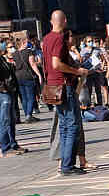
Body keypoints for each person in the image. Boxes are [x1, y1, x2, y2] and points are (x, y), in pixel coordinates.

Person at [42, 9, 87, 176]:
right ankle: (68, 165)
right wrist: (76, 71)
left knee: (63, 125)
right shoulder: (59, 38)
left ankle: (65, 164)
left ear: (51, 22)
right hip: (63, 85)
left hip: (52, 86)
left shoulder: (46, 38)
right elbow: (56, 64)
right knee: (72, 124)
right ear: (65, 21)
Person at [49, 30, 97, 174]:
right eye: (70, 36)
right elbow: (59, 67)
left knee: (70, 126)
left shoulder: (67, 52)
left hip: (66, 90)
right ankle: (65, 164)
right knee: (69, 126)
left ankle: (70, 162)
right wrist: (78, 71)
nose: (74, 38)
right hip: (65, 91)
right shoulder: (61, 52)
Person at [0, 41, 27, 156]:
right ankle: (5, 147)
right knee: (4, 120)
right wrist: (2, 88)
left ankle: (13, 144)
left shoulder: (2, 59)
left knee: (11, 119)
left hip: (9, 90)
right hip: (3, 93)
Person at [13, 36, 42, 123]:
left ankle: (27, 115)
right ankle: (29, 115)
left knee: (24, 97)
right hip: (28, 76)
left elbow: (15, 65)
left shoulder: (15, 54)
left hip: (18, 76)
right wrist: (39, 74)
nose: (28, 43)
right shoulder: (29, 51)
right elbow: (32, 64)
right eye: (26, 42)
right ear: (23, 43)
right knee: (31, 97)